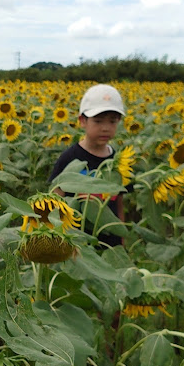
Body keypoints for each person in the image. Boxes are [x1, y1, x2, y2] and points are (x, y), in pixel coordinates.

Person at [48, 83, 127, 247]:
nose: (105, 128)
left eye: (112, 122)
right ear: (82, 121)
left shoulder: (118, 160)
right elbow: (55, 198)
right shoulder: (70, 158)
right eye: (98, 121)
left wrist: (122, 235)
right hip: (74, 239)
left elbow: (119, 202)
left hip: (109, 239)